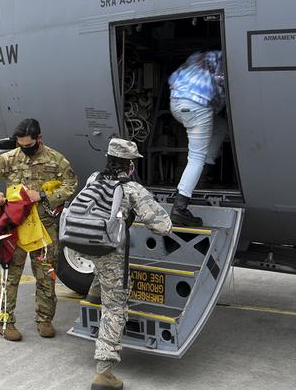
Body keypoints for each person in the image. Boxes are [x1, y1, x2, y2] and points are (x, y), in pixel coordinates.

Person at [0, 118, 78, 341]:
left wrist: (43, 195)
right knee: (10, 277)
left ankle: (44, 320)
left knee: (46, 276)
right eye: (20, 145)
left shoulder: (55, 160)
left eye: (28, 145)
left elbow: (71, 184)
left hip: (44, 229)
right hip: (16, 229)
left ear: (39, 138)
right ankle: (5, 322)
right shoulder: (11, 158)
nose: (24, 149)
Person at [87, 138, 173, 390]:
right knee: (114, 309)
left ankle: (95, 289)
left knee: (108, 276)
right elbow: (162, 226)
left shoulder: (93, 179)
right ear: (130, 164)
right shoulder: (131, 188)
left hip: (89, 246)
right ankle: (104, 373)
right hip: (111, 254)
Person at [168, 50, 228, 227]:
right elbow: (221, 83)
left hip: (177, 103)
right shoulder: (223, 57)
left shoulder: (194, 58)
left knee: (220, 126)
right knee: (195, 158)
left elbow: (173, 79)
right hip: (197, 105)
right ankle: (180, 208)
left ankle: (203, 172)